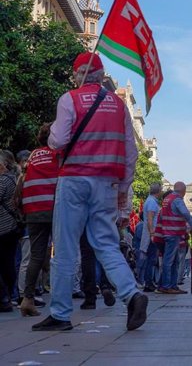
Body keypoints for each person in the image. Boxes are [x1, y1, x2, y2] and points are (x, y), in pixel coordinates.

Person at [32, 52, 147, 332]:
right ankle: (132, 295)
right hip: (106, 183)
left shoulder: (69, 99)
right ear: (100, 75)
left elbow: (58, 141)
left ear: (78, 74)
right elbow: (130, 154)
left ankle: (60, 313)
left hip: (74, 179)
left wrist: (49, 135)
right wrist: (123, 188)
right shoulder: (119, 106)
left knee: (66, 246)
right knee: (106, 244)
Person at [19, 125, 58, 317]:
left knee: (36, 255)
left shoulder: (33, 155)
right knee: (63, 254)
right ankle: (60, 299)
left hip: (32, 209)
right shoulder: (57, 154)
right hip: (53, 209)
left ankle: (27, 299)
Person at [152, 181, 192, 294]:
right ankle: (167, 286)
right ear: (184, 192)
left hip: (168, 233)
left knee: (174, 261)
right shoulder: (177, 200)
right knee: (169, 261)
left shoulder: (167, 200)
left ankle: (171, 285)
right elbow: (186, 214)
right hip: (173, 234)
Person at [0, 152, 21, 313]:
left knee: (7, 263)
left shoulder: (4, 180)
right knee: (9, 262)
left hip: (4, 227)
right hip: (11, 228)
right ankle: (8, 295)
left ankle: (5, 297)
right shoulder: (14, 178)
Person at [139, 183, 161, 292]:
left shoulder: (150, 201)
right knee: (151, 259)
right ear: (158, 191)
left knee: (151, 259)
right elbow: (150, 218)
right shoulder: (152, 202)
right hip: (151, 235)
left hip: (150, 234)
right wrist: (152, 233)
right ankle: (148, 283)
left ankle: (148, 281)